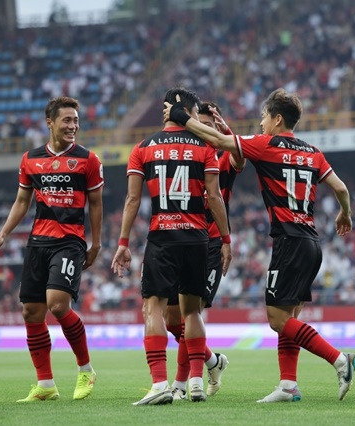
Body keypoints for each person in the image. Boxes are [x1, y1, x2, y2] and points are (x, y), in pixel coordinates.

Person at [165, 88, 355, 402]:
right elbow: (341, 187)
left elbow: (218, 142)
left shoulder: (267, 145)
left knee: (277, 319)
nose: (261, 124)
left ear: (277, 118)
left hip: (289, 241)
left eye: (264, 118)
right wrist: (345, 214)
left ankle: (340, 359)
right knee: (289, 317)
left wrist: (181, 117)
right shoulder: (313, 151)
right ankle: (288, 386)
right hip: (311, 241)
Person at [111, 87, 232, 405]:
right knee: (192, 312)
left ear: (166, 110)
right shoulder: (205, 148)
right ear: (191, 113)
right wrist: (227, 239)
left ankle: (159, 384)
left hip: (162, 237)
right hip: (196, 239)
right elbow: (215, 197)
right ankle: (195, 380)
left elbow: (133, 199)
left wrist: (123, 242)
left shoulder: (142, 148)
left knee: (153, 308)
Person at [0, 96, 103, 402]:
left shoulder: (88, 160)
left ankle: (86, 370)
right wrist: (2, 235)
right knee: (31, 312)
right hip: (38, 241)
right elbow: (22, 202)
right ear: (49, 122)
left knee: (58, 305)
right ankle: (46, 384)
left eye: (76, 120)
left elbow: (96, 203)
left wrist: (97, 242)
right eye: (67, 120)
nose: (73, 126)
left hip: (69, 240)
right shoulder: (31, 159)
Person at [165, 102, 245, 400]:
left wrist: (227, 132)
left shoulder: (222, 157)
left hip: (209, 243)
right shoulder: (184, 154)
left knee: (191, 313)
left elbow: (240, 159)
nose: (205, 129)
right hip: (178, 239)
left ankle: (184, 383)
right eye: (202, 123)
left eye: (210, 124)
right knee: (173, 319)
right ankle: (212, 360)